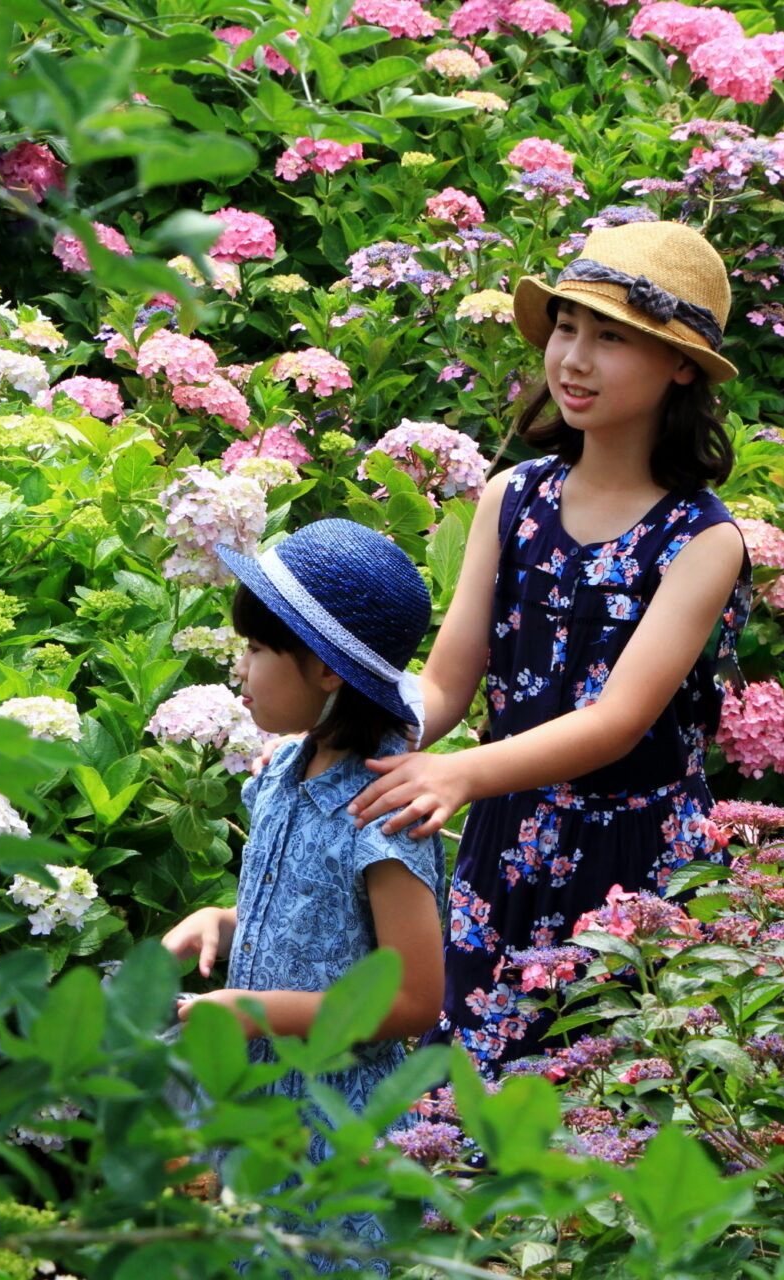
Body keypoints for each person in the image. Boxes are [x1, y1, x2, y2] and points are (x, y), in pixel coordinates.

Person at [343, 219, 752, 1074]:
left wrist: (460, 773)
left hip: (637, 863)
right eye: (567, 328)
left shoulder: (703, 540)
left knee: (611, 1103)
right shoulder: (513, 497)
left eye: (611, 338)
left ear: (681, 366)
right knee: (465, 1098)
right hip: (506, 843)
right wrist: (344, 733)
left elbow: (617, 721)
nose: (574, 360)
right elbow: (446, 686)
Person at [161, 518, 445, 1265]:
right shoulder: (285, 772)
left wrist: (256, 1012)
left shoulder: (385, 815)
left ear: (326, 671)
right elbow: (309, 911)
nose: (241, 668)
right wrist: (222, 919)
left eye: (257, 650)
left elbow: (414, 998)